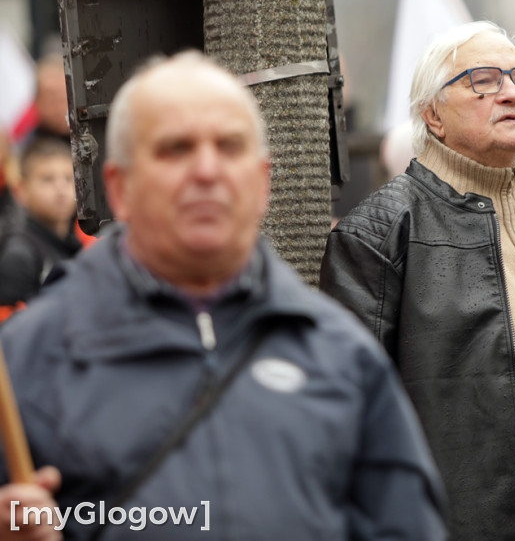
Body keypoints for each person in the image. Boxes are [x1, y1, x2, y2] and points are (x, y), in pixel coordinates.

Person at [0, 51, 445, 541]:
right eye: (175, 149)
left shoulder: (342, 356)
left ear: (261, 183)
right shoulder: (29, 358)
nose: (207, 171)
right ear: (119, 188)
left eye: (229, 147)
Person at [320, 21, 515, 541]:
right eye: (483, 79)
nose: (511, 94)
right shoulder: (383, 229)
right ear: (433, 114)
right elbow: (347, 415)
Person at [0, 137, 81, 309]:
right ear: (21, 190)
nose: (60, 187)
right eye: (47, 179)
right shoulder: (19, 256)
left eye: (68, 178)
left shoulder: (76, 245)